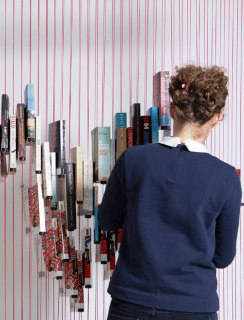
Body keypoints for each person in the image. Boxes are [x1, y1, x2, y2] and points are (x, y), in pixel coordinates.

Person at [97, 64, 242, 320]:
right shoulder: (227, 177)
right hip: (194, 306)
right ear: (217, 118)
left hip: (131, 301)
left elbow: (107, 221)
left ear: (172, 111)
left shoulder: (133, 159)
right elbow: (223, 257)